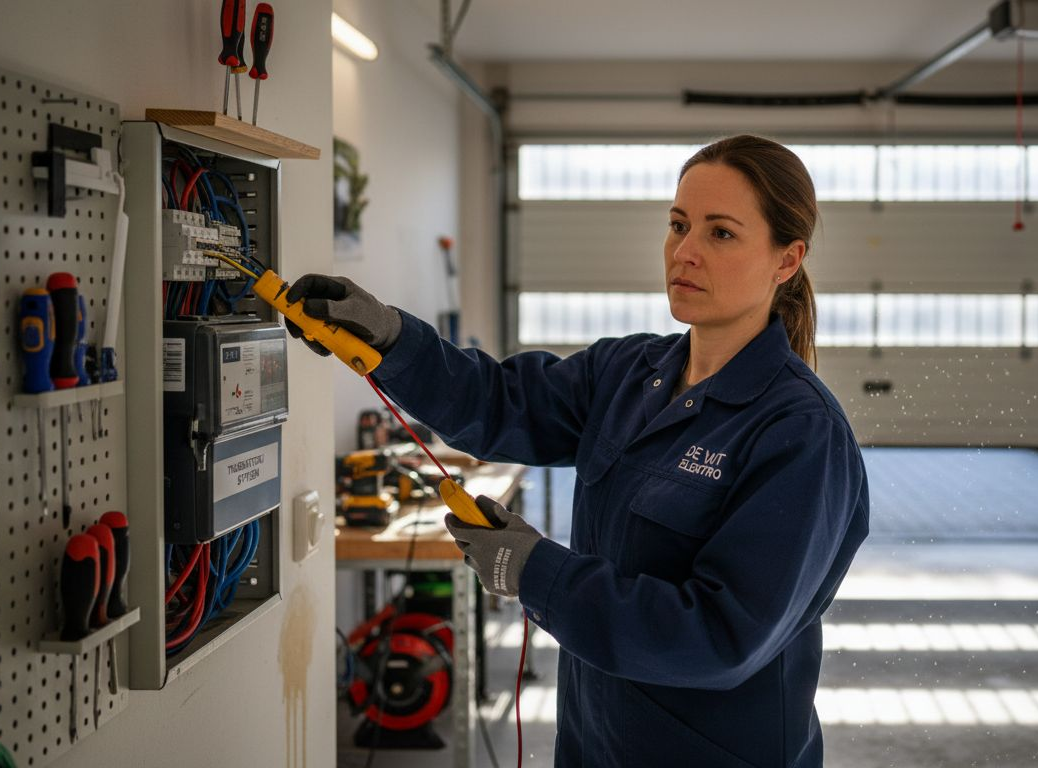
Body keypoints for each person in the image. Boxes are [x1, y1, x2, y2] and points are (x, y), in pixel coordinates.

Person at [287, 134, 869, 767]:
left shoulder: (801, 433)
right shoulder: (626, 372)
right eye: (678, 225)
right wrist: (395, 341)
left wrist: (535, 570)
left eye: (720, 233)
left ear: (787, 260)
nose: (685, 251)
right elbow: (499, 402)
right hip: (594, 743)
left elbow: (720, 637)